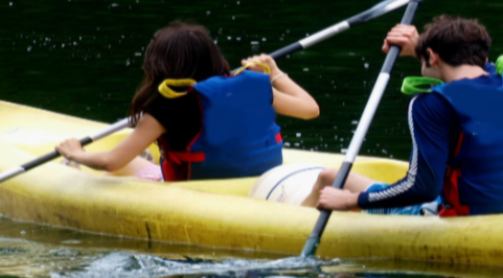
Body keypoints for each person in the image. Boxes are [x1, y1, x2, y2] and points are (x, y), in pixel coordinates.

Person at [306, 16, 503, 217]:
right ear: (483, 56)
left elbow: (422, 188)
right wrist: (423, 47)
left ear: (432, 56)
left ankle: (297, 220)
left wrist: (351, 200)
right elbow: (487, 74)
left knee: (329, 178)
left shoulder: (431, 104)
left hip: (470, 217)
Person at [57, 21, 319, 181]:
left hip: (194, 186)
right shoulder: (254, 87)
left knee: (116, 171)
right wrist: (275, 72)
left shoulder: (168, 104)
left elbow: (111, 162)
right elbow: (310, 109)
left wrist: (75, 152)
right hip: (256, 180)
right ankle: (145, 159)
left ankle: (76, 164)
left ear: (161, 67)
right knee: (136, 162)